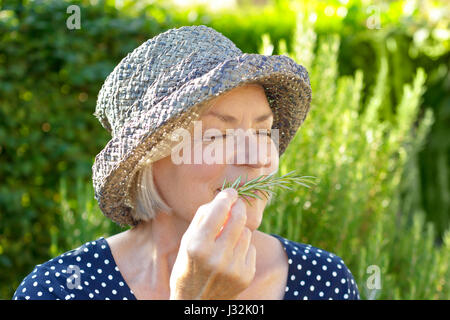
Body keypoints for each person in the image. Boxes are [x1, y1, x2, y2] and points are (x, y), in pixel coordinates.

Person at [13, 25, 360, 300]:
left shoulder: (325, 282)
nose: (258, 159)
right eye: (217, 137)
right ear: (147, 159)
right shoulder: (61, 291)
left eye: (263, 131)